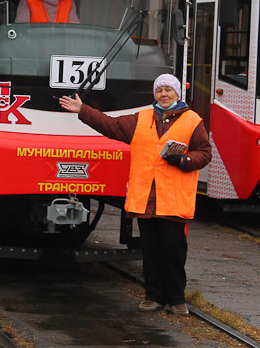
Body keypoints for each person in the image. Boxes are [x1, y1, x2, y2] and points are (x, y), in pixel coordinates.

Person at [59, 73, 211, 316]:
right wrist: (83, 110)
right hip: (146, 200)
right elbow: (110, 125)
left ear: (177, 93)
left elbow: (204, 152)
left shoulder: (193, 120)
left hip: (174, 201)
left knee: (173, 251)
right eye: (159, 90)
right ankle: (153, 297)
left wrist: (184, 160)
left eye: (168, 90)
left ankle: (176, 299)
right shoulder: (141, 118)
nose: (163, 94)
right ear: (155, 94)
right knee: (150, 252)